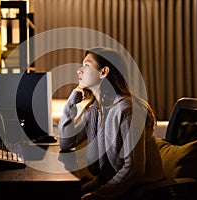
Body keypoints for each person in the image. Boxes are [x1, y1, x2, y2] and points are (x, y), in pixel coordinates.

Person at [58, 47, 165, 200]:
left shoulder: (127, 109)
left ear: (103, 72)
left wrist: (97, 195)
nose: (79, 70)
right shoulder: (95, 109)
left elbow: (133, 170)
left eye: (87, 65)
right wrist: (72, 101)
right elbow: (66, 142)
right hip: (111, 182)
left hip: (141, 191)